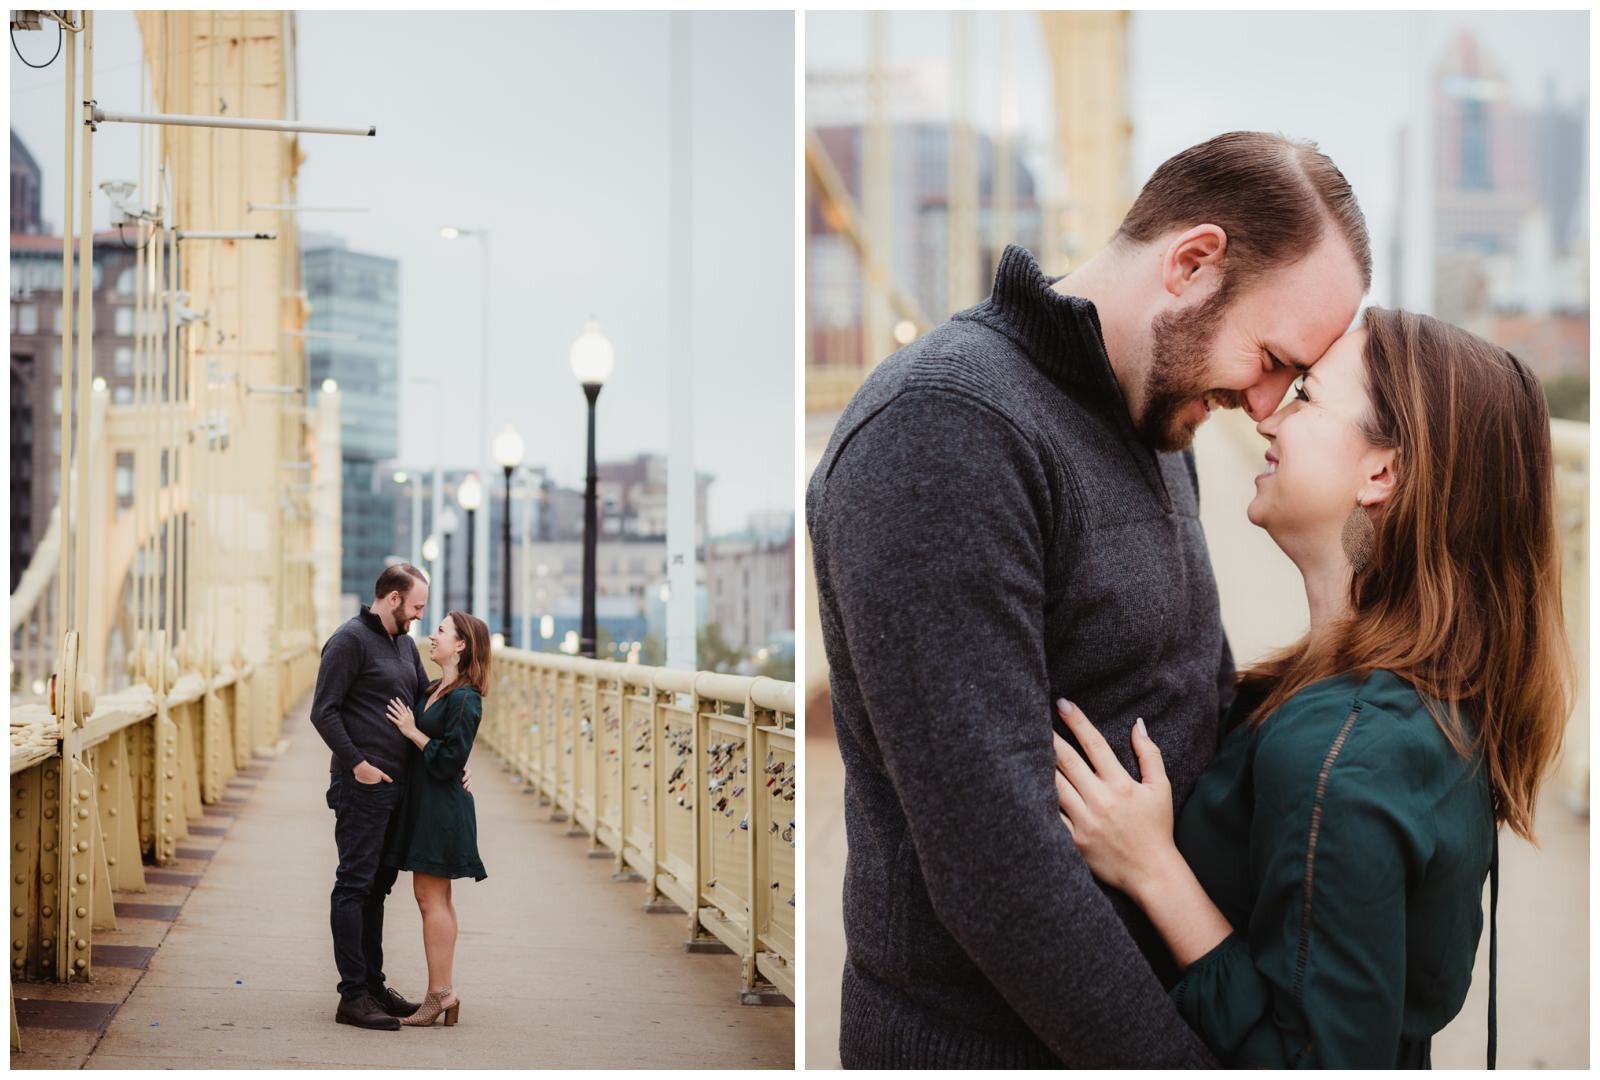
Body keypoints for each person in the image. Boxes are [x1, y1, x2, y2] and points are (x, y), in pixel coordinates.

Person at [807, 131, 1371, 1067]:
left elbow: (1193, 697)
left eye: (1295, 380)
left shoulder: (1152, 417)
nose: (1268, 407)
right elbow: (997, 869)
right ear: (1192, 263)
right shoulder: (946, 428)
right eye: (1269, 358)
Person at [1053, 308, 1571, 1067]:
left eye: (1306, 397)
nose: (1266, 415)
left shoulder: (1343, 755)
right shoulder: (1408, 706)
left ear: (1382, 471)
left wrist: (1153, 869)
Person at [310, 564, 433, 1030]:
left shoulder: (403, 643)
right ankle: (352, 996)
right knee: (354, 886)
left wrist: (461, 676)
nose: (420, 616)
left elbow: (422, 698)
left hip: (396, 788)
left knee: (377, 889)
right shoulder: (349, 641)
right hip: (360, 786)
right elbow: (323, 711)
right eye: (418, 606)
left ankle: (373, 985)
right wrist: (358, 765)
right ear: (395, 599)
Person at [382, 610, 492, 1028]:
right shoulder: (436, 688)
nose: (433, 636)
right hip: (428, 804)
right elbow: (452, 751)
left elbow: (448, 760)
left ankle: (440, 994)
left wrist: (412, 731)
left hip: (441, 809)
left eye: (441, 631)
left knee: (432, 899)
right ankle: (441, 991)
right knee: (434, 898)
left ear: (461, 644)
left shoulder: (466, 697)